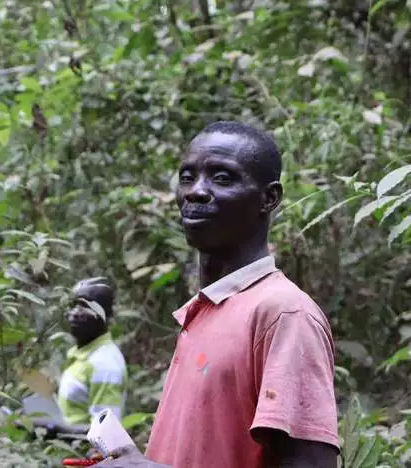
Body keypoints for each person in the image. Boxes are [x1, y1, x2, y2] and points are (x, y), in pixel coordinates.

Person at [99, 121, 339, 467]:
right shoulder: (206, 310)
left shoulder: (284, 314)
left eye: (222, 178)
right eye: (187, 177)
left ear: (269, 198)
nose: (196, 191)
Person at [31, 277, 129, 437]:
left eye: (86, 306)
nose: (75, 313)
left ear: (106, 316)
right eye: (74, 305)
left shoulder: (105, 364)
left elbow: (106, 433)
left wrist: (55, 428)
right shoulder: (84, 355)